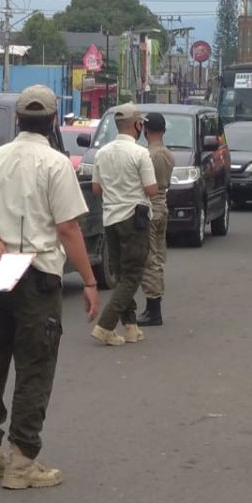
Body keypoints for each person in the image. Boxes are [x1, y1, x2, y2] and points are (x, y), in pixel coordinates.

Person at [0, 85, 99, 490]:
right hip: (37, 274)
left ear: (18, 119)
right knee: (34, 366)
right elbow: (68, 228)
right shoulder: (55, 164)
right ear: (53, 122)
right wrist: (89, 280)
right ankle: (21, 460)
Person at [90, 103, 158, 346]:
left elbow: (96, 189)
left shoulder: (102, 153)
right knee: (132, 276)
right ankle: (105, 325)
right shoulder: (140, 153)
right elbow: (151, 189)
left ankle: (130, 327)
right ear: (138, 125)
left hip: (110, 218)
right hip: (134, 219)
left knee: (121, 274)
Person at [138, 113, 175, 327]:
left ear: (146, 130)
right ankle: (154, 305)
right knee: (159, 257)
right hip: (163, 205)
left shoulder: (149, 155)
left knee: (150, 259)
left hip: (151, 207)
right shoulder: (168, 154)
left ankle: (153, 309)